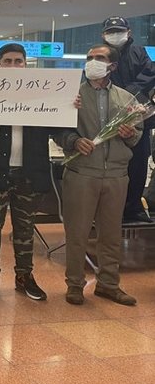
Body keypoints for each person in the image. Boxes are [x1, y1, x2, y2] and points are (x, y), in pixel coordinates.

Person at [54, 44, 140, 306]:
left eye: (99, 58)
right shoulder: (71, 96)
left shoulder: (127, 99)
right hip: (82, 173)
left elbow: (137, 137)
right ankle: (75, 285)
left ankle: (108, 284)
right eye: (89, 57)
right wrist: (73, 141)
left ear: (112, 66)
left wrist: (130, 134)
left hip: (116, 175)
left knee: (111, 234)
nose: (92, 61)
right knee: (77, 233)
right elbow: (57, 130)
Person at [0, 44, 51, 302]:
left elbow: (56, 124)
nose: (14, 65)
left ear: (26, 65)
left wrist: (70, 106)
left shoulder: (41, 92)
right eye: (8, 61)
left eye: (19, 61)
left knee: (25, 227)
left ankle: (24, 276)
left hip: (29, 171)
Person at [101, 17, 155, 224]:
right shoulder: (101, 54)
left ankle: (133, 208)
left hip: (138, 117)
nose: (115, 35)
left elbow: (149, 75)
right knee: (111, 165)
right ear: (104, 34)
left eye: (119, 30)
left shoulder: (139, 52)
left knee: (138, 165)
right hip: (108, 120)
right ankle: (111, 210)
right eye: (111, 31)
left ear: (129, 32)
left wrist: (130, 93)